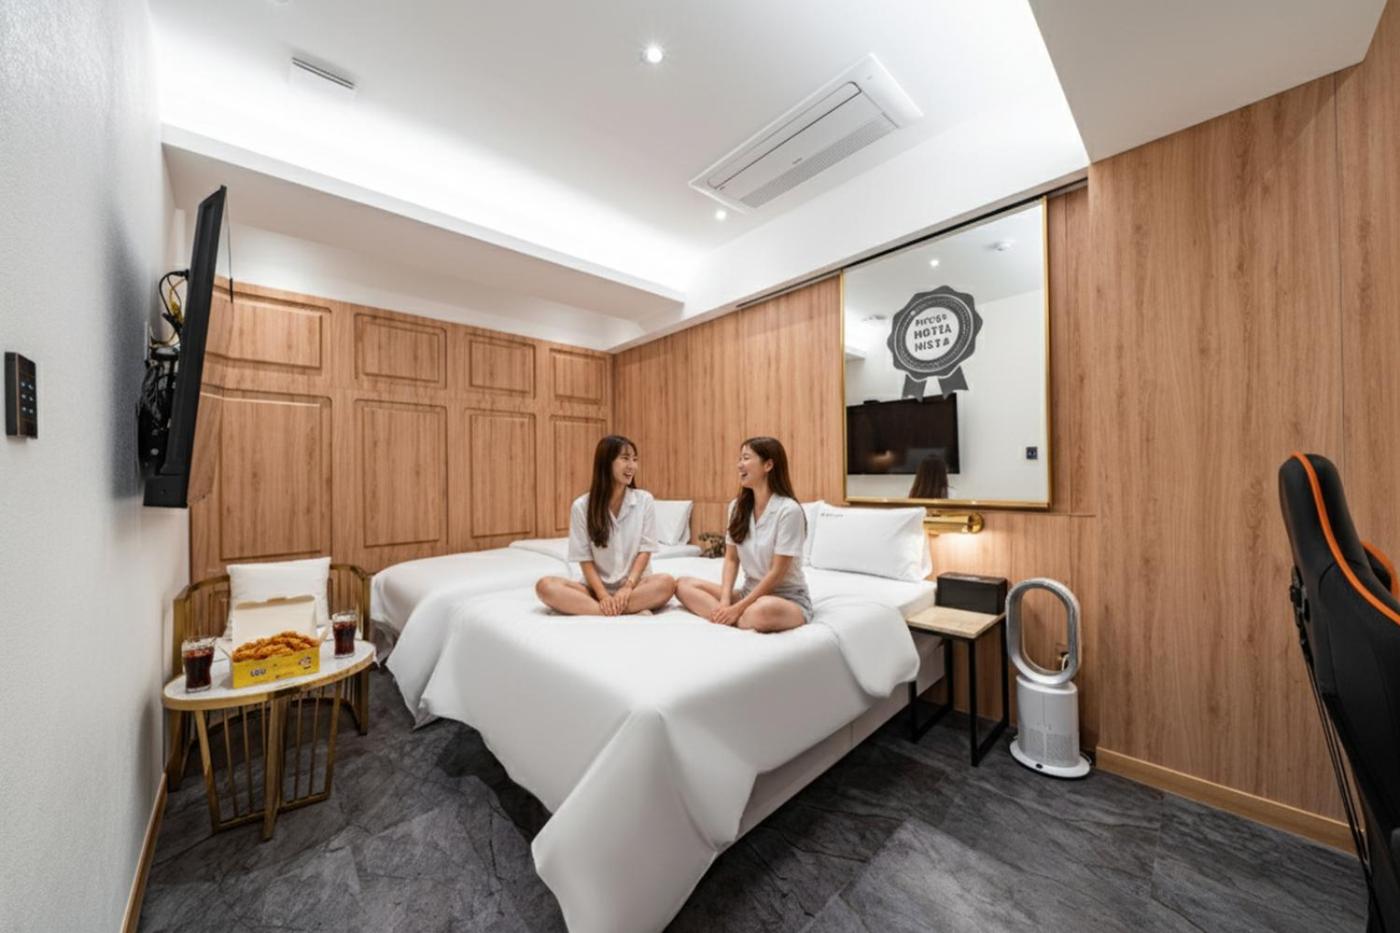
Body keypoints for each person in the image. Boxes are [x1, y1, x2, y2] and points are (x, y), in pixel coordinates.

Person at [675, 436, 813, 633]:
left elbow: (777, 573)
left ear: (768, 465)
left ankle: (733, 617)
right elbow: (731, 559)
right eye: (740, 459)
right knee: (683, 585)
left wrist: (737, 608)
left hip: (785, 600)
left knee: (764, 609)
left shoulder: (789, 511)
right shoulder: (737, 507)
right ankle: (728, 617)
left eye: (746, 458)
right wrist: (725, 601)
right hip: (748, 595)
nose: (739, 465)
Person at [535, 435, 677, 616]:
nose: (632, 466)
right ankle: (618, 610)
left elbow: (645, 550)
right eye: (625, 458)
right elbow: (584, 559)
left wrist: (627, 587)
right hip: (595, 590)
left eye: (635, 459)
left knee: (667, 583)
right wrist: (602, 595)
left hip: (635, 587)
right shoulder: (582, 506)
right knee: (545, 586)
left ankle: (601, 610)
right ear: (606, 463)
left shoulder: (644, 500)